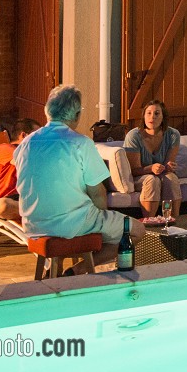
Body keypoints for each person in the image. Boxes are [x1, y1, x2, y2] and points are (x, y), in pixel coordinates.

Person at [15, 86, 145, 267]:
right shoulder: (80, 143)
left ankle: (56, 268)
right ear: (76, 115)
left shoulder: (26, 143)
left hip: (34, 224)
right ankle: (78, 271)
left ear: (48, 111)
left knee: (73, 212)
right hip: (72, 225)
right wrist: (104, 221)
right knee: (137, 230)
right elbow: (98, 193)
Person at [122, 100, 183, 218]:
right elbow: (133, 170)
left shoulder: (173, 135)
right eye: (148, 113)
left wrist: (169, 166)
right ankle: (149, 224)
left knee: (171, 178)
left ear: (163, 117)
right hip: (139, 176)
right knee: (152, 180)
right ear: (143, 116)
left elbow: (168, 165)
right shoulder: (134, 136)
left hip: (161, 173)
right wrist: (151, 168)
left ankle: (173, 221)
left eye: (157, 113)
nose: (152, 117)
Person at [0, 118, 39, 221]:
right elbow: (24, 163)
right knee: (2, 206)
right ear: (24, 135)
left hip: (24, 200)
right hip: (5, 203)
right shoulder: (4, 149)